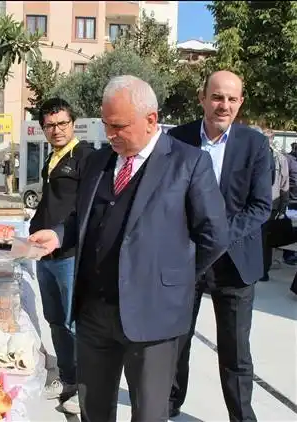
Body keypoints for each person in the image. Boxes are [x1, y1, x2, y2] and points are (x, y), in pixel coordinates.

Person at [30, 75, 228, 421]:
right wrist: (60, 235)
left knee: (149, 413)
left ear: (151, 119)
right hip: (93, 315)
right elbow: (84, 219)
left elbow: (214, 236)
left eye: (119, 126)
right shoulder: (98, 162)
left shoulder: (187, 164)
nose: (110, 135)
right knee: (94, 410)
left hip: (153, 318)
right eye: (107, 125)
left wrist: (173, 278)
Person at [168, 71, 271, 421]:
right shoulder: (178, 139)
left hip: (235, 264)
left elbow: (260, 207)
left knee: (235, 352)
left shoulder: (254, 145)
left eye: (231, 98)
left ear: (240, 102)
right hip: (187, 261)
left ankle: (242, 416)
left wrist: (218, 237)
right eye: (216, 97)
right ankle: (170, 402)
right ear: (202, 97)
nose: (223, 105)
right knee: (176, 342)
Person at [28, 97, 94, 414]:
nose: (56, 130)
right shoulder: (52, 159)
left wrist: (60, 235)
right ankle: (67, 378)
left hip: (70, 254)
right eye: (50, 125)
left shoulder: (86, 157)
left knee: (73, 323)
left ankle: (85, 387)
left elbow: (85, 210)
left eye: (62, 123)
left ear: (73, 123)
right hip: (44, 255)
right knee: (54, 320)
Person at [261, 128, 289, 281]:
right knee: (262, 240)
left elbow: (285, 185)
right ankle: (261, 271)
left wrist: (282, 207)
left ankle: (263, 271)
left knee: (265, 241)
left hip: (269, 205)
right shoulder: (278, 158)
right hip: (265, 204)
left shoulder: (280, 158)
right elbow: (285, 185)